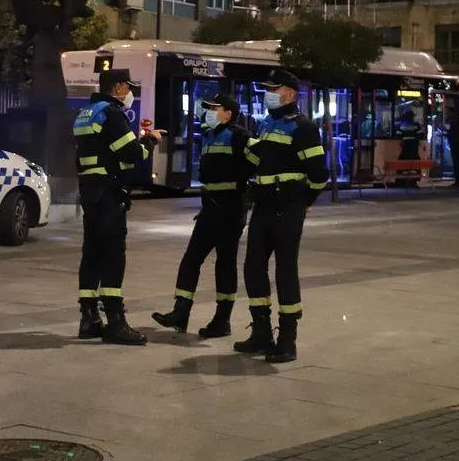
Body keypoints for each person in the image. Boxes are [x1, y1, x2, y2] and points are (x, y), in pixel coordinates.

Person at [235, 69, 328, 364]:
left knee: (285, 271)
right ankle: (262, 332)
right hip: (263, 206)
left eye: (273, 89)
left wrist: (303, 201)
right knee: (253, 268)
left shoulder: (303, 127)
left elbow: (319, 174)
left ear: (289, 93)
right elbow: (257, 162)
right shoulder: (266, 124)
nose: (268, 94)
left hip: (287, 206)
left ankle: (288, 339)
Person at [151, 94, 257, 338]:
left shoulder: (239, 135)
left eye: (215, 108)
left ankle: (222, 320)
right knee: (191, 259)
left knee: (225, 264)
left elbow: (258, 160)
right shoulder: (210, 135)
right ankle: (181, 312)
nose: (210, 111)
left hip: (230, 209)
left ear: (229, 113)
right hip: (210, 208)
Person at [73, 69, 165, 346]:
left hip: (90, 192)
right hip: (109, 194)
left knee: (91, 254)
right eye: (129, 88)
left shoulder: (86, 113)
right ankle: (115, 321)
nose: (130, 94)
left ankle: (89, 319)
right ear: (119, 87)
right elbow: (132, 154)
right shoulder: (112, 114)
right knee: (113, 255)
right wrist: (151, 140)